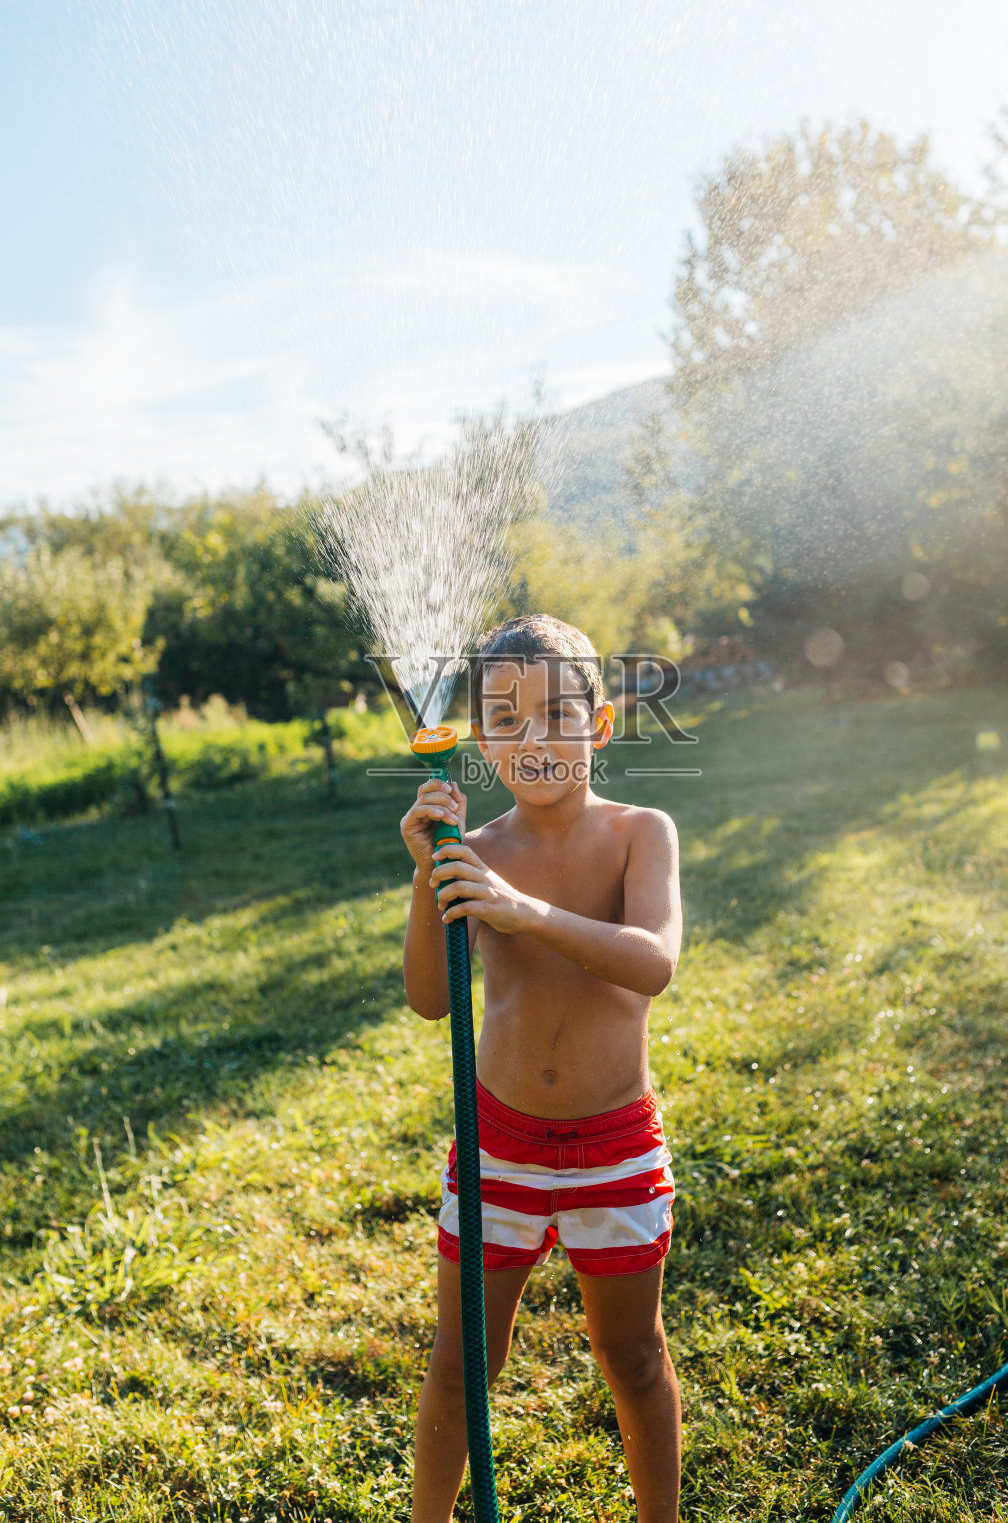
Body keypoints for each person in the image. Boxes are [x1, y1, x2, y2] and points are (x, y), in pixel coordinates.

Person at [400, 613, 683, 1523]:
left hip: (614, 1148)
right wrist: (427, 873)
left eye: (559, 714)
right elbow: (429, 1000)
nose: (535, 738)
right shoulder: (475, 853)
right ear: (481, 742)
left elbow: (652, 961)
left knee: (632, 1357)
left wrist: (527, 914)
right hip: (500, 1147)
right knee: (460, 1361)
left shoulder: (642, 832)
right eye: (507, 719)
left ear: (598, 727)